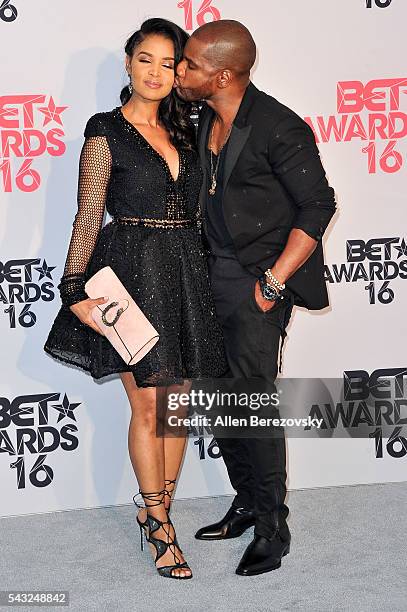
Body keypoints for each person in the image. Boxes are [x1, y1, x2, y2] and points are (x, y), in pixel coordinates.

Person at [44, 18, 227, 580]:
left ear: (180, 72)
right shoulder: (105, 129)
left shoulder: (190, 126)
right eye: (145, 59)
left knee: (177, 404)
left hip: (187, 274)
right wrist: (73, 289)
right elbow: (88, 212)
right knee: (147, 404)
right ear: (128, 65)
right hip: (127, 274)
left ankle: (161, 507)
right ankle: (158, 524)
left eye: (168, 63)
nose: (155, 72)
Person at [175, 19, 337, 576]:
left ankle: (273, 526)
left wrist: (272, 283)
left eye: (190, 64)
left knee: (251, 405)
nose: (180, 70)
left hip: (254, 285)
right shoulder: (205, 116)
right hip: (209, 276)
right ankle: (245, 501)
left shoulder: (277, 126)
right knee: (219, 401)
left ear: (221, 74)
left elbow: (318, 206)